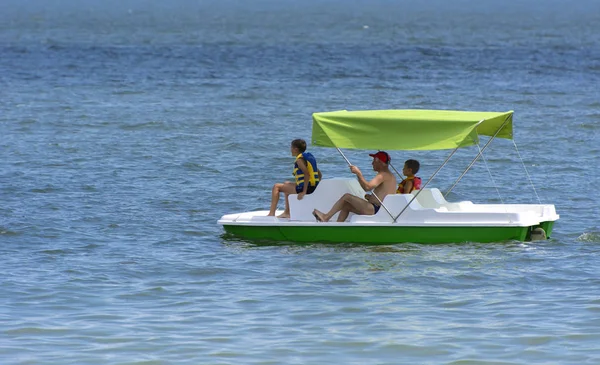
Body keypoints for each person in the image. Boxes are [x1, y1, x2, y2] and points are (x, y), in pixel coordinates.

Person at [312, 151, 397, 222]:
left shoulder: (382, 175)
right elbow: (385, 194)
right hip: (380, 209)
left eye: (374, 160)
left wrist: (358, 173)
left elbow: (367, 187)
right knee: (346, 206)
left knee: (347, 197)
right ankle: (337, 226)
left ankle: (326, 217)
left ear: (380, 162)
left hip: (376, 209)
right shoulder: (391, 176)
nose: (372, 163)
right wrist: (371, 197)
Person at [268, 139, 322, 218]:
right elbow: (319, 174)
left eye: (291, 148)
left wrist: (303, 191)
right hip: (312, 187)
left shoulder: (300, 160)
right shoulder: (308, 158)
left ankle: (271, 214)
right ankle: (287, 212)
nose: (290, 150)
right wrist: (315, 186)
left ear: (296, 149)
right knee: (286, 184)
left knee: (276, 186)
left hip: (306, 189)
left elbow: (307, 174)